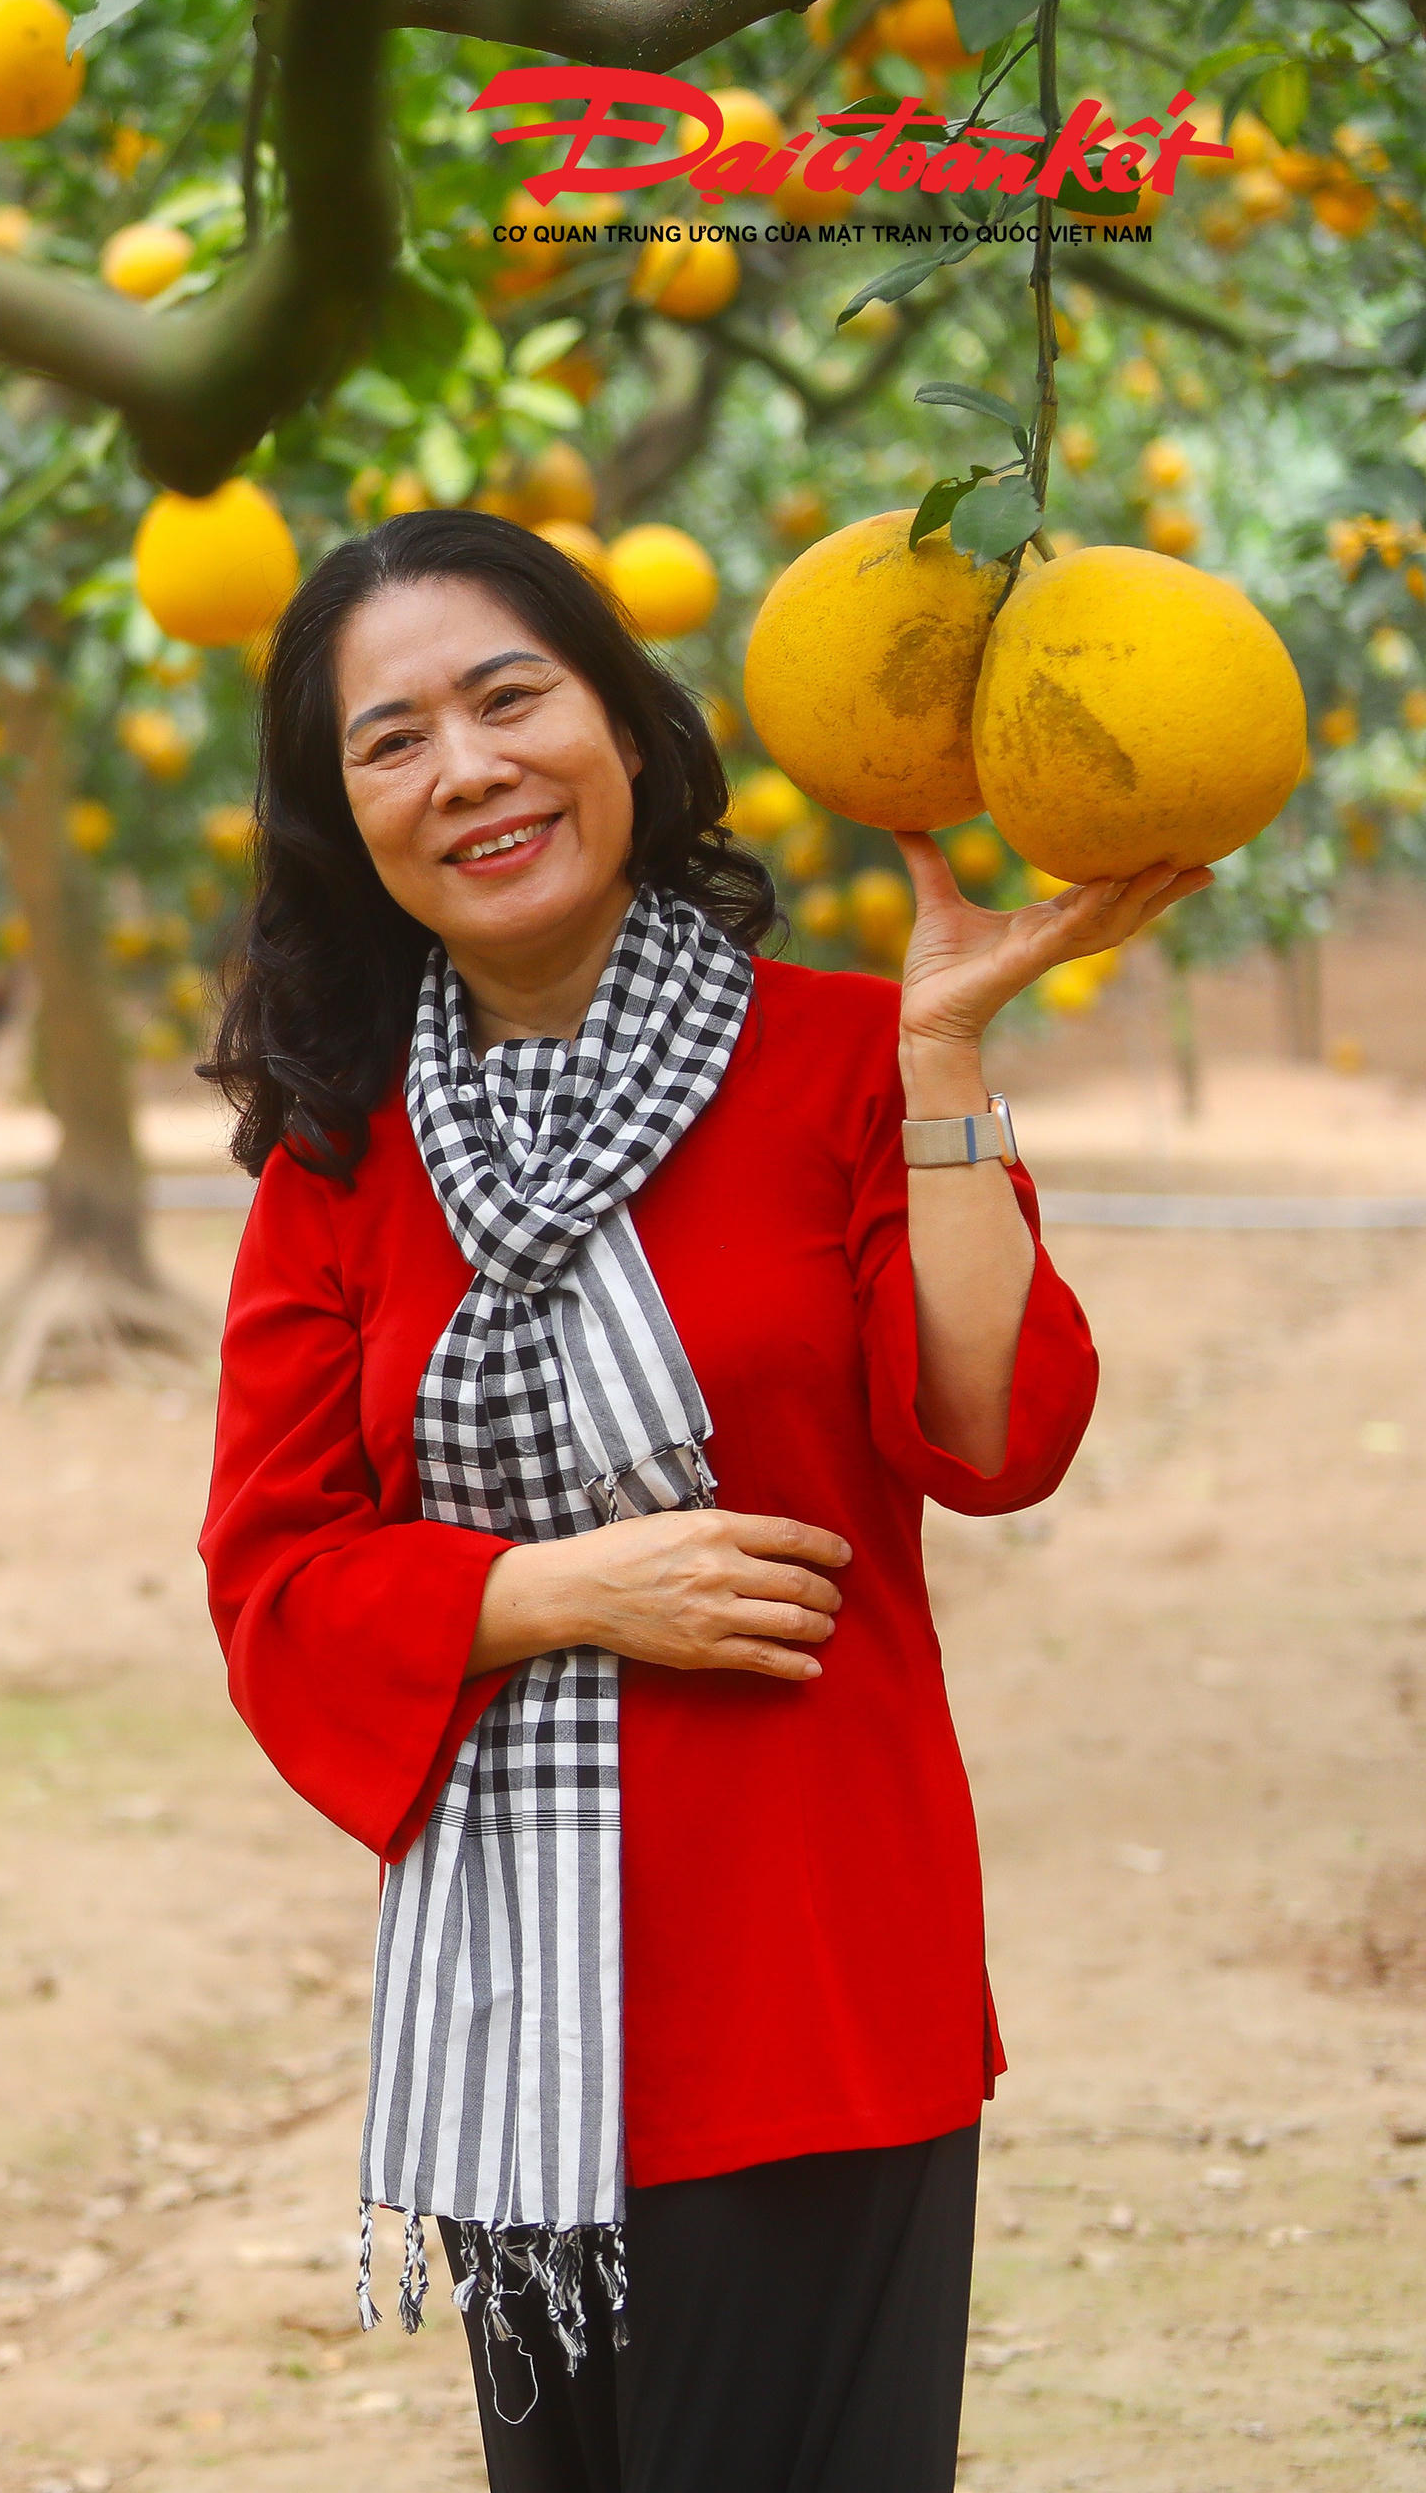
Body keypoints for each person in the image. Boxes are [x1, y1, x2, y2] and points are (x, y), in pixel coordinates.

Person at [194, 509, 1202, 2493]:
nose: (466, 769)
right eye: (392, 740)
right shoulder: (343, 1155)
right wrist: (564, 1592)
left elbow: (992, 1434)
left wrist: (943, 1064)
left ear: (626, 728)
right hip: (523, 2021)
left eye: (510, 698)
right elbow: (275, 1582)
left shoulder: (841, 1061)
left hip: (816, 1970)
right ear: (343, 817)